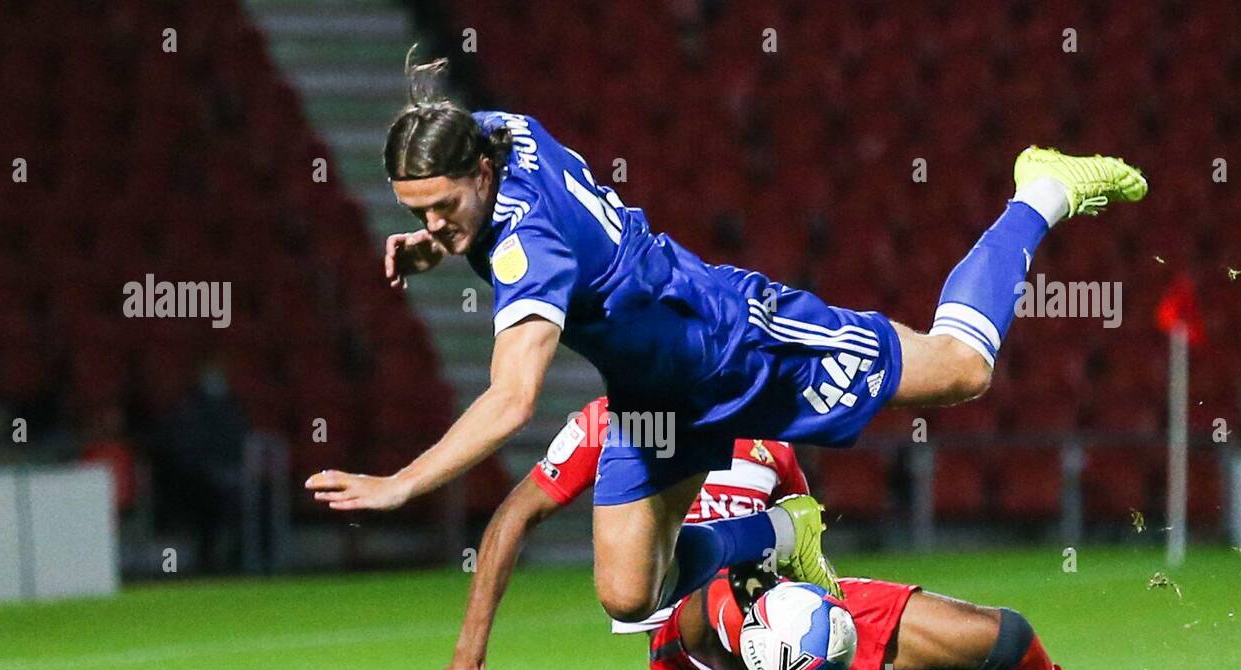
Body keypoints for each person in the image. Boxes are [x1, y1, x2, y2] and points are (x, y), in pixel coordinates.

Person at [307, 54, 1148, 631]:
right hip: (655, 398)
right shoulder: (495, 130)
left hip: (736, 343)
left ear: (481, 177)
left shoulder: (531, 244)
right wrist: (441, 241)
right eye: (413, 211)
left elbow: (511, 400)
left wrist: (403, 482)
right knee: (628, 597)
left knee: (961, 371)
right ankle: (782, 537)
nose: (430, 221)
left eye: (440, 208)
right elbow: (476, 203)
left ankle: (1039, 191)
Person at [404, 399, 1192, 670]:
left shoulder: (770, 446)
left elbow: (811, 573)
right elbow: (512, 516)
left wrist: (867, 661)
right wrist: (469, 653)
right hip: (690, 655)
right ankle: (785, 642)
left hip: (785, 616)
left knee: (1007, 637)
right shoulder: (608, 424)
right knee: (718, 587)